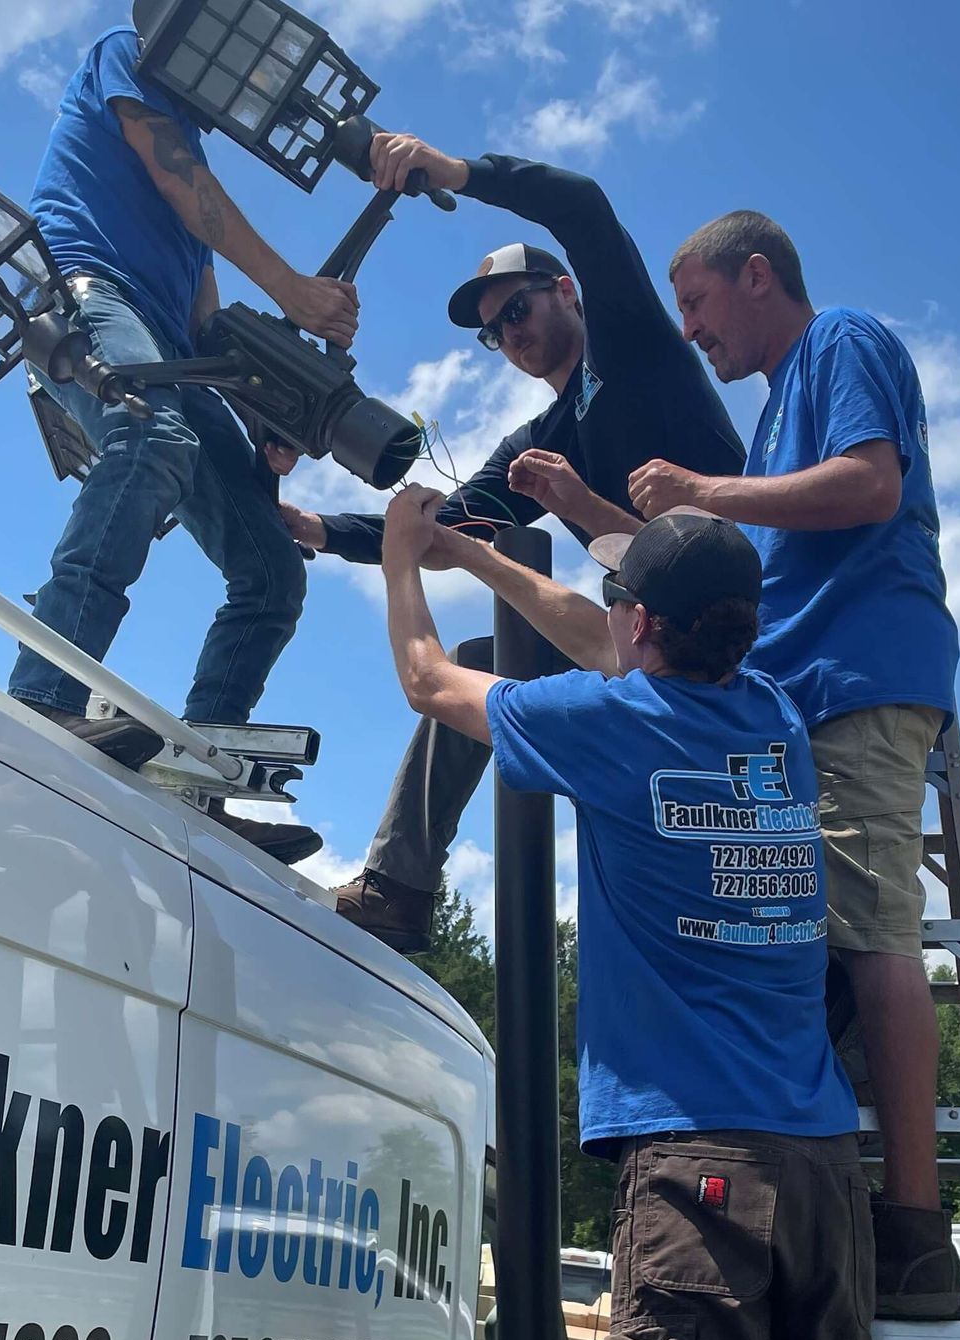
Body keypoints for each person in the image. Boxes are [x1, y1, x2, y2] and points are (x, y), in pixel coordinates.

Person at [378, 489, 873, 1340]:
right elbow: (603, 639)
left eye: (618, 601)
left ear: (640, 622)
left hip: (698, 1159)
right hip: (822, 1168)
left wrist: (400, 554)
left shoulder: (611, 723)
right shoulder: (777, 721)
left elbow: (428, 678)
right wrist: (484, 560)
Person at [278, 133, 745, 950]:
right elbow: (446, 527)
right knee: (483, 658)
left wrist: (457, 172)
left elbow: (584, 207)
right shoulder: (540, 440)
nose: (511, 336)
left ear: (566, 291)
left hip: (734, 635)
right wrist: (316, 528)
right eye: (494, 333)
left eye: (518, 310)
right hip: (640, 648)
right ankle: (398, 888)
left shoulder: (630, 347)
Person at [625, 209, 960, 1319]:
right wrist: (594, 515)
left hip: (861, 684)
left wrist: (704, 493)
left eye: (699, 306)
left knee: (873, 936)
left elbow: (870, 485)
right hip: (800, 703)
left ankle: (915, 1237)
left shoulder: (843, 344)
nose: (691, 334)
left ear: (757, 276)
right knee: (805, 940)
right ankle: (821, 1197)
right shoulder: (774, 421)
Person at [7, 23, 360, 863]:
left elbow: (204, 325)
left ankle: (204, 775)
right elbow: (176, 175)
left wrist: (262, 421)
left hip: (167, 346)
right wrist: (294, 291)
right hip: (80, 291)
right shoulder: (126, 50)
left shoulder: (194, 215)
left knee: (272, 566)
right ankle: (43, 692)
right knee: (147, 432)